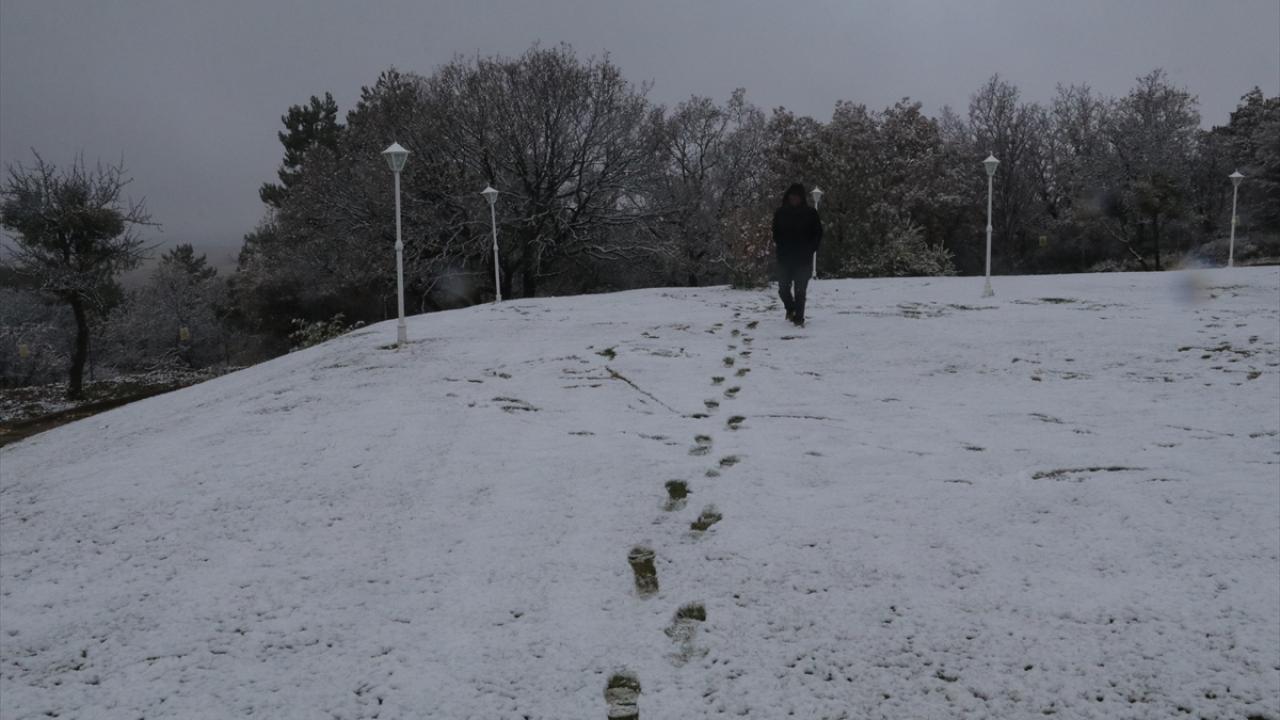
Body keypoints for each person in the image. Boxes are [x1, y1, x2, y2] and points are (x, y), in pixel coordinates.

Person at [771, 183, 822, 326]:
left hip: (803, 258)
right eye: (791, 197)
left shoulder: (810, 214)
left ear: (801, 198)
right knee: (783, 290)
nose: (794, 199)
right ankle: (790, 308)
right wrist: (781, 244)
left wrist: (811, 248)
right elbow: (775, 232)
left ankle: (799, 318)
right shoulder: (780, 213)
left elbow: (818, 233)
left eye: (796, 197)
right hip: (784, 258)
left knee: (800, 291)